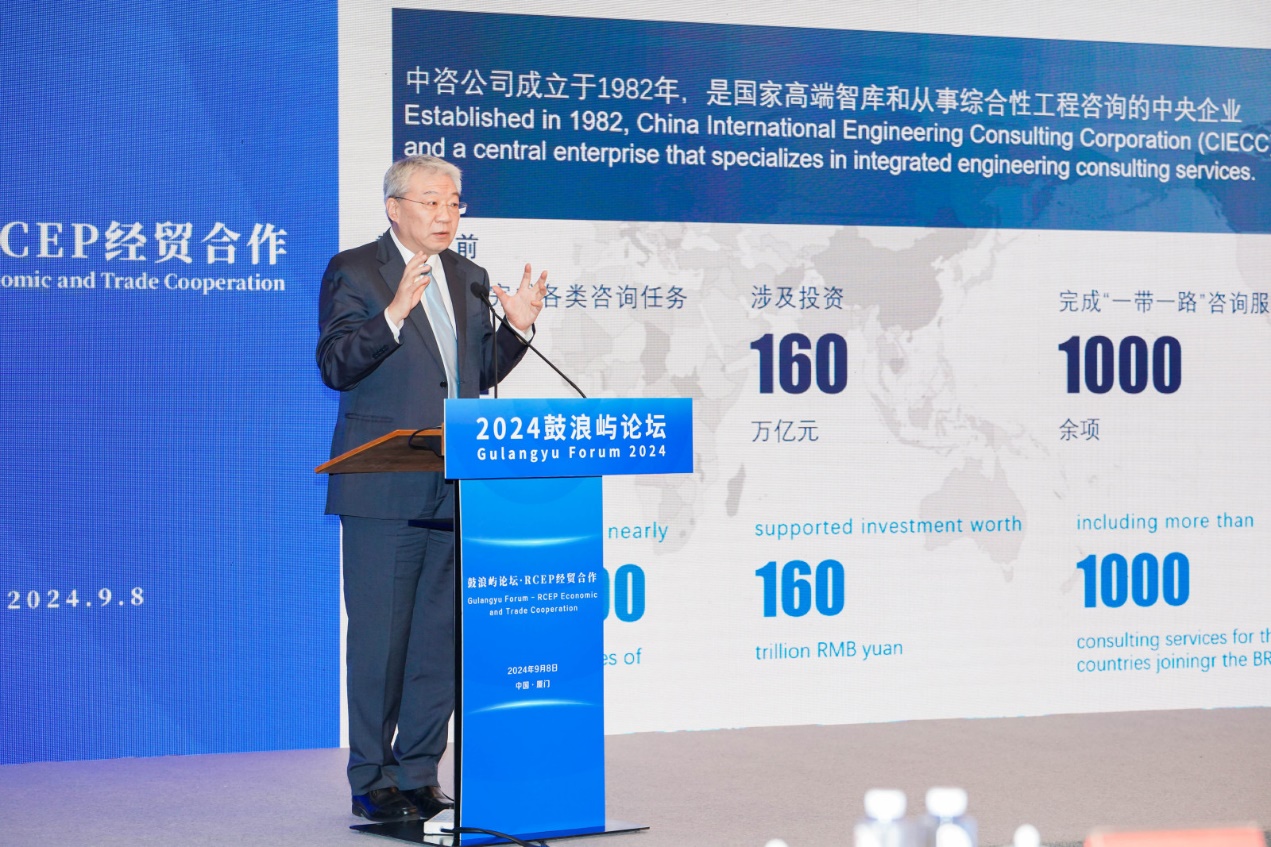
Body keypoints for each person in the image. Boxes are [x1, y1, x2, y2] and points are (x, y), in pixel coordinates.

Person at [316, 155, 547, 822]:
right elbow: (335, 364)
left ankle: (418, 771)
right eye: (431, 202)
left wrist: (517, 328)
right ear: (394, 208)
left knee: (438, 640)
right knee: (381, 641)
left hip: (456, 485)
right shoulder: (356, 271)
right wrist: (392, 315)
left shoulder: (467, 276)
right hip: (383, 486)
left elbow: (472, 376)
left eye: (454, 203)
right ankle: (372, 775)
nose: (446, 215)